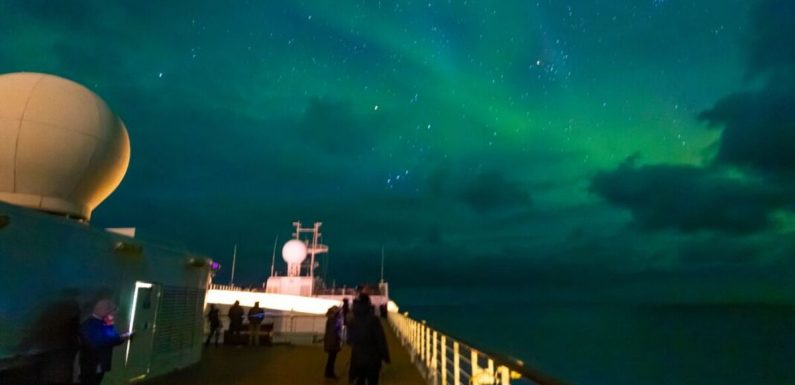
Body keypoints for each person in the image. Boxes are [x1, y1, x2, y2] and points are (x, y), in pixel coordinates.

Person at [78, 299, 132, 385]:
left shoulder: (104, 323)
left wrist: (120, 337)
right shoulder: (89, 325)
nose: (113, 315)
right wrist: (121, 337)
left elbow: (111, 338)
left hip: (100, 364)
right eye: (112, 312)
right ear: (104, 311)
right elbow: (98, 343)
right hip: (92, 364)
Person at [347, 293, 390, 385]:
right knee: (373, 381)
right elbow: (380, 339)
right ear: (367, 303)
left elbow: (349, 340)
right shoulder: (373, 319)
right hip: (372, 358)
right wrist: (385, 356)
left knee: (359, 381)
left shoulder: (352, 319)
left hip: (357, 359)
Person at [323, 306, 342, 379]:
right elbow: (334, 330)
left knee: (331, 358)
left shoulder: (331, 319)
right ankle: (329, 373)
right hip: (333, 341)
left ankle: (329, 373)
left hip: (331, 340)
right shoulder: (333, 319)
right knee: (332, 358)